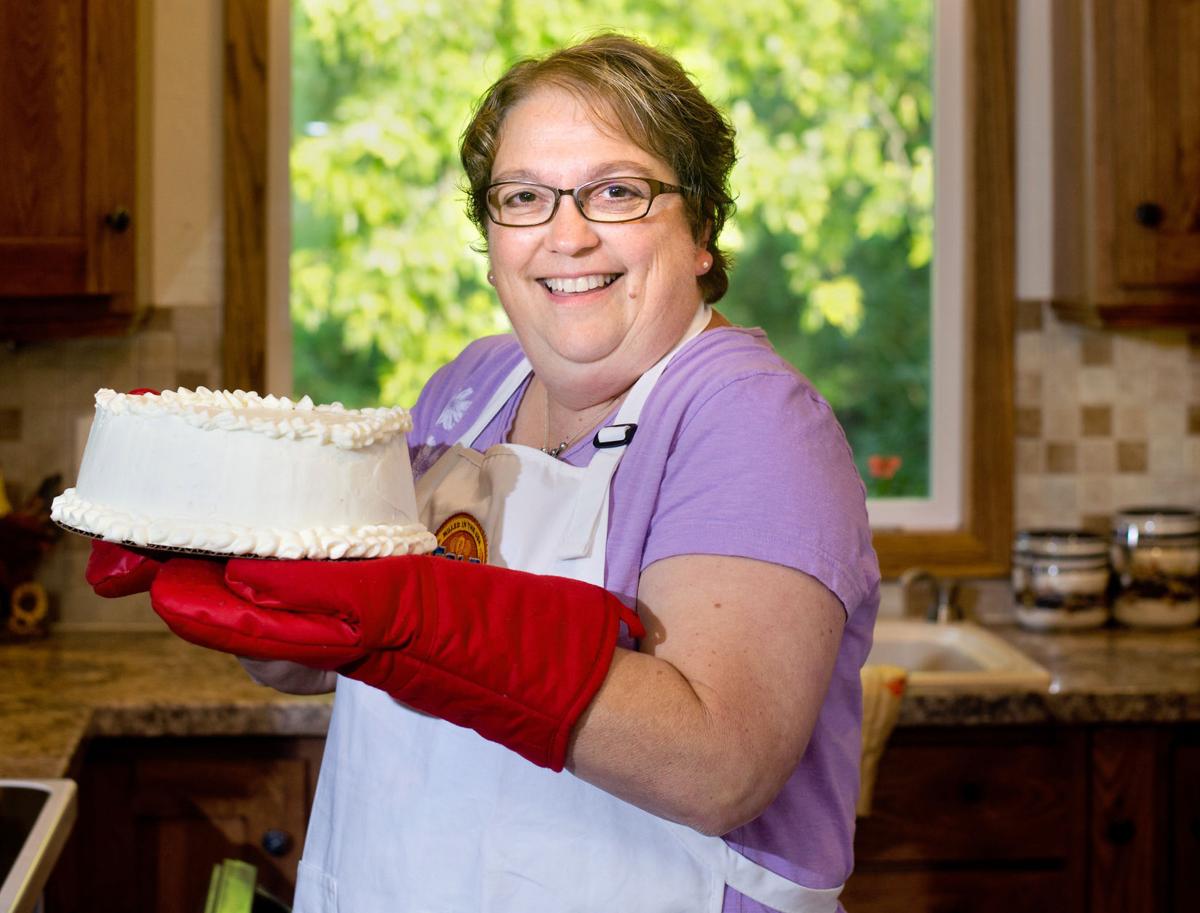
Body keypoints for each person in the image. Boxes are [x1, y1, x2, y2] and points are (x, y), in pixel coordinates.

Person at [86, 34, 879, 913]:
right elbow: (332, 661)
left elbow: (719, 765)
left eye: (617, 191)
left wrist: (419, 619)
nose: (566, 235)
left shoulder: (750, 418)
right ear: (493, 234)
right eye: (524, 198)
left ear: (699, 228)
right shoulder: (469, 386)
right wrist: (246, 581)